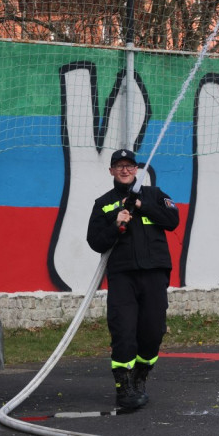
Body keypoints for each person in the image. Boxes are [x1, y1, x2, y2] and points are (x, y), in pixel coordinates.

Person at [87, 148, 180, 410]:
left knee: (152, 332)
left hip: (154, 273)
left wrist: (141, 205)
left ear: (137, 170)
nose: (125, 170)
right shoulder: (103, 203)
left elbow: (173, 220)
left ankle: (140, 378)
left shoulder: (154, 195)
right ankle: (124, 388)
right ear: (111, 171)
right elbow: (95, 242)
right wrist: (115, 225)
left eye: (129, 166)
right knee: (123, 332)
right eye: (119, 166)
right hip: (122, 276)